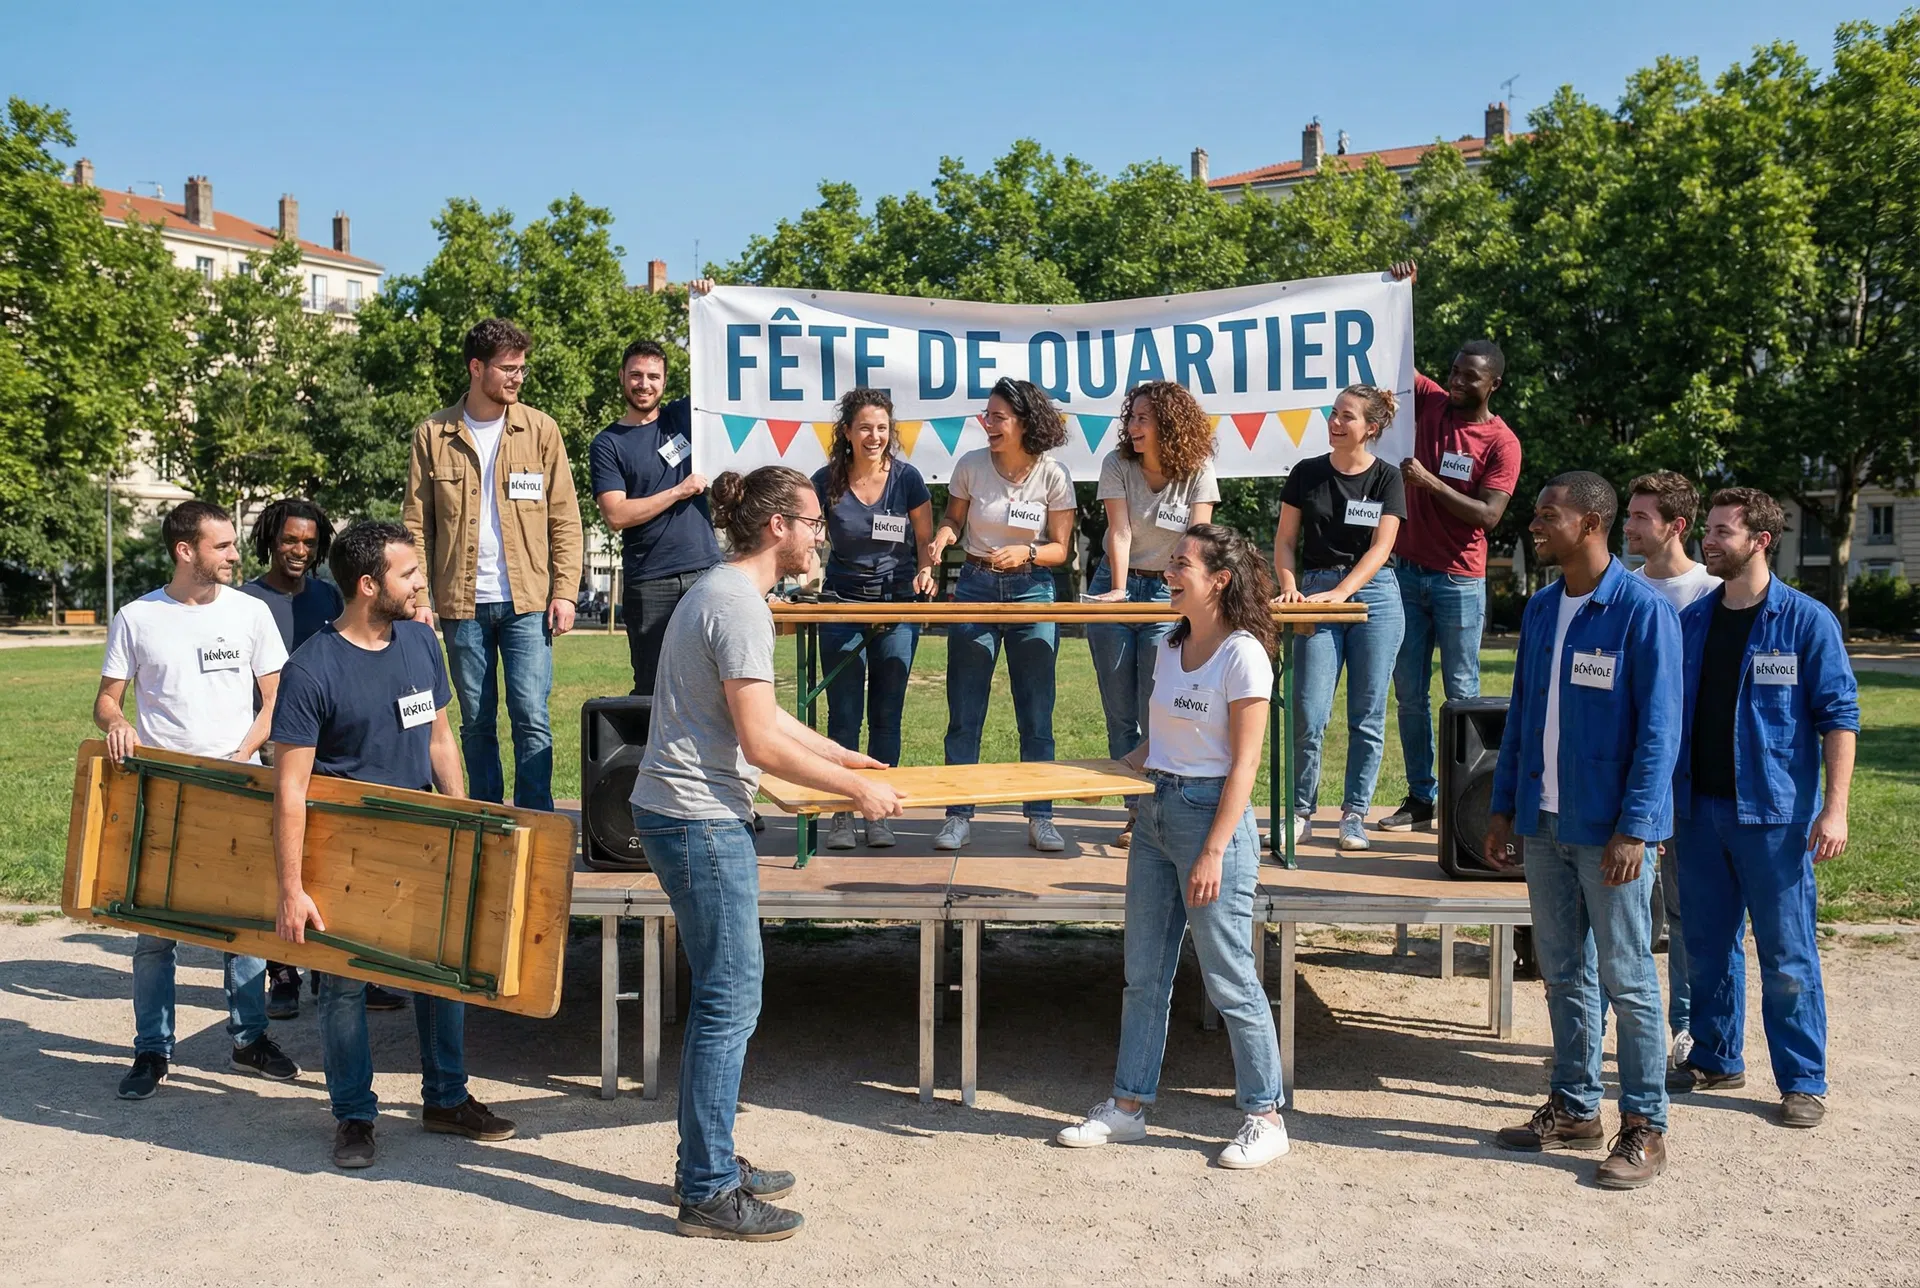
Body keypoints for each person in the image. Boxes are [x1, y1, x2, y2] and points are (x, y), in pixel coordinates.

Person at [630, 466, 906, 1240]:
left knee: (724, 997)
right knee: (729, 1000)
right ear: (778, 526)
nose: (822, 534)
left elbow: (767, 717)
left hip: (680, 813)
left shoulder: (724, 593)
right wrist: (854, 796)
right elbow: (758, 742)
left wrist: (844, 759)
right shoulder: (739, 605)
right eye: (814, 521)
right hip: (699, 820)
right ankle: (709, 1190)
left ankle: (708, 1161)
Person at [271, 521, 518, 1170]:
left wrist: (462, 822)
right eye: (409, 575)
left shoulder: (418, 641)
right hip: (347, 854)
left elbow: (440, 739)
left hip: (426, 841)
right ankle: (354, 1116)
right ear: (367, 584)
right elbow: (291, 790)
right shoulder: (310, 670)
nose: (420, 585)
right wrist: (292, 889)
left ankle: (446, 1097)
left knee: (442, 973)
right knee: (346, 989)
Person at [1054, 525, 1289, 1168]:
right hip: (1155, 815)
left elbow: (1244, 766)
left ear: (1219, 580)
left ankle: (1265, 1116)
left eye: (1181, 562)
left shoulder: (1244, 655)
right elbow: (1153, 747)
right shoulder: (1167, 644)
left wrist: (1214, 850)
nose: (1168, 570)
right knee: (1143, 974)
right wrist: (1095, 776)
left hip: (1211, 820)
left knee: (1229, 977)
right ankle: (1128, 1108)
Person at [1485, 472, 1680, 1190]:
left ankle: (1644, 1127)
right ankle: (1573, 1105)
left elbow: (1660, 732)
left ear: (1591, 523)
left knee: (1628, 979)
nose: (1534, 525)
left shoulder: (1639, 611)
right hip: (1545, 824)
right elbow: (1523, 719)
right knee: (1563, 972)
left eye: (1548, 514)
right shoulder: (1542, 608)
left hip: (1610, 834)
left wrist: (1636, 828)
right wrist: (1505, 807)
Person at [94, 500, 299, 1100]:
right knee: (154, 931)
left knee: (246, 920)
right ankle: (151, 1051)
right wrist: (117, 723)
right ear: (187, 551)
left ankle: (249, 1040)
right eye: (224, 546)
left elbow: (275, 699)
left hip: (236, 786)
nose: (237, 555)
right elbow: (107, 699)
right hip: (163, 791)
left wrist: (242, 757)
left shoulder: (251, 612)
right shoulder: (136, 617)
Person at [1667, 488, 1857, 1130]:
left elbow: (1840, 719)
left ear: (1760, 541)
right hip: (1697, 813)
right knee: (1706, 947)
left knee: (1787, 952)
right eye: (1709, 530)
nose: (1708, 541)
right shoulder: (1693, 621)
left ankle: (1803, 1080)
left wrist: (1835, 810)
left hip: (1774, 818)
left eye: (1722, 532)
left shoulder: (1807, 621)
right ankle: (1718, 1057)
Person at [403, 317, 583, 811]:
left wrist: (565, 590)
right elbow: (416, 525)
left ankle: (533, 819)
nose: (517, 378)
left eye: (522, 368)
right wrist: (418, 597)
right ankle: (486, 818)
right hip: (461, 605)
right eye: (507, 368)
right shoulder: (433, 434)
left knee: (531, 716)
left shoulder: (541, 430)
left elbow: (565, 518)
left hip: (527, 603)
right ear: (476, 368)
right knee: (476, 721)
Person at [241, 497, 411, 1018]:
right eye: (290, 539)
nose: (299, 549)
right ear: (271, 539)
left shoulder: (326, 595)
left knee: (332, 861)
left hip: (332, 732)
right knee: (291, 849)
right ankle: (285, 970)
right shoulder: (247, 600)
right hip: (276, 731)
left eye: (309, 542)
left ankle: (345, 965)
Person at [1379, 262, 1522, 833]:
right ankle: (1421, 797)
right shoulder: (1428, 402)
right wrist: (1399, 294)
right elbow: (1392, 354)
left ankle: (1468, 802)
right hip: (1405, 574)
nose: (1458, 382)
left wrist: (1432, 483)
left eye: (1472, 378)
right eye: (1456, 372)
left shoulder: (1501, 441)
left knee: (1461, 693)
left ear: (1495, 385)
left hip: (1460, 579)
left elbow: (1488, 516)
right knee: (1409, 693)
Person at [927, 377, 1078, 853]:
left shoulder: (1053, 473)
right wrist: (943, 536)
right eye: (986, 416)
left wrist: (1027, 554)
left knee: (1037, 712)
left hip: (1033, 591)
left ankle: (1040, 816)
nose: (987, 424)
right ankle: (958, 816)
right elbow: (953, 518)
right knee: (964, 710)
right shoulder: (970, 464)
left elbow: (1061, 549)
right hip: (974, 586)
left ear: (1024, 422)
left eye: (997, 417)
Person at [1083, 380, 1220, 847]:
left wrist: (1179, 591)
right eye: (1131, 418)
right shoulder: (1117, 464)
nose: (1132, 427)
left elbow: (1199, 540)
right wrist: (1120, 590)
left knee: (1155, 705)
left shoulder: (1198, 470)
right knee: (1120, 710)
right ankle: (1135, 813)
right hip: (1117, 584)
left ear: (1170, 425)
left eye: (1143, 418)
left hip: (1170, 590)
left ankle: (1161, 806)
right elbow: (1118, 532)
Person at [1272, 384, 1408, 851]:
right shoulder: (1306, 473)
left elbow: (1382, 548)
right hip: (1312, 594)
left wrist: (1342, 593)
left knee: (1366, 716)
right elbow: (1286, 541)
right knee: (1308, 712)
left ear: (1370, 428)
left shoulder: (1388, 479)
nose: (1334, 422)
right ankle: (1300, 812)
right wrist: (1291, 586)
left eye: (1346, 416)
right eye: (1333, 413)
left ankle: (1354, 816)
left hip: (1375, 596)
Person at [809, 387, 938, 851]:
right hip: (840, 603)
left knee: (887, 713)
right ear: (846, 432)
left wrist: (926, 571)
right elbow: (811, 539)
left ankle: (879, 813)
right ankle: (842, 813)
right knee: (843, 714)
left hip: (896, 603)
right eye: (865, 427)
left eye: (882, 428)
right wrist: (805, 572)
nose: (874, 436)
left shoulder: (908, 479)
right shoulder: (825, 480)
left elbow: (926, 541)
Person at [1623, 472, 1721, 1067]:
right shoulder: (1624, 590)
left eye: (1639, 518)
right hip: (1628, 784)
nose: (1628, 527)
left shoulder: (1713, 593)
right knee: (1628, 914)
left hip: (1689, 786)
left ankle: (1684, 1026)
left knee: (1685, 912)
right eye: (1627, 515)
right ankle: (1616, 1029)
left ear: (1675, 527)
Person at [588, 298, 723, 698]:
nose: (644, 384)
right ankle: (652, 763)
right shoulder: (608, 444)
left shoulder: (683, 417)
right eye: (636, 375)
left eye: (653, 376)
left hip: (706, 571)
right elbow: (616, 513)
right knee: (653, 688)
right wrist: (680, 491)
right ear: (622, 377)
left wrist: (705, 306)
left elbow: (713, 371)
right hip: (650, 582)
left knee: (714, 682)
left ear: (665, 381)